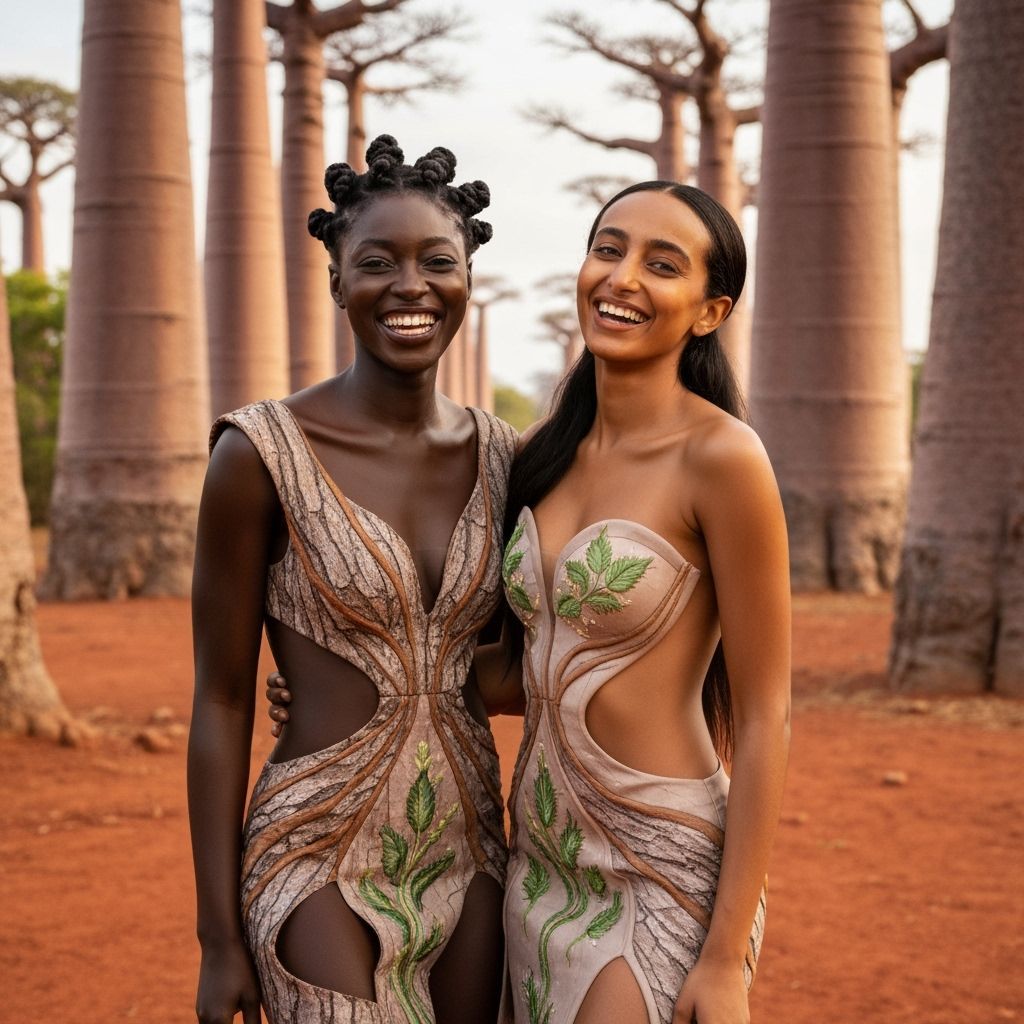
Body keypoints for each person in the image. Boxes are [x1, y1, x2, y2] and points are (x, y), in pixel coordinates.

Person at [270, 180, 791, 1024]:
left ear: (709, 310)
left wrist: (726, 955)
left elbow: (767, 713)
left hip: (659, 863)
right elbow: (520, 671)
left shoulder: (723, 458)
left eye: (662, 265)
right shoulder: (540, 457)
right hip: (535, 862)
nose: (621, 279)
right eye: (608, 249)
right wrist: (351, 682)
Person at [188, 135, 516, 1024]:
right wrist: (218, 940)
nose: (410, 285)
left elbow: (530, 659)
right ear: (338, 281)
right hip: (314, 845)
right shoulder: (258, 455)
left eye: (436, 261)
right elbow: (220, 699)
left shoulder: (506, 460)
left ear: (467, 281)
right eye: (377, 262)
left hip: (475, 849)